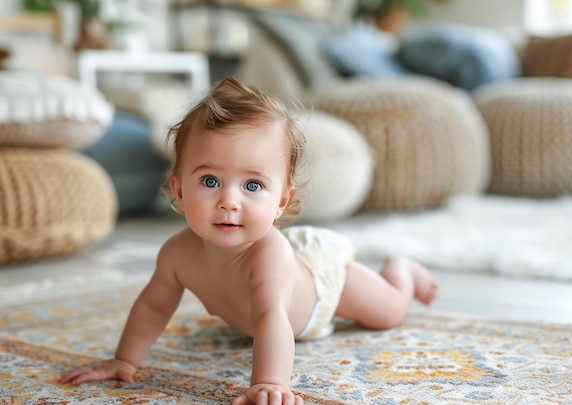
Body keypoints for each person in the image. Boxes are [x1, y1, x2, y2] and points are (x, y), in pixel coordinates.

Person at [59, 77, 439, 405]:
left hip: (325, 285)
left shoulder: (268, 253)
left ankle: (400, 270)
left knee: (390, 312)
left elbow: (272, 316)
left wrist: (270, 383)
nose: (229, 201)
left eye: (253, 185)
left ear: (281, 202)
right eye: (210, 181)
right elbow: (154, 306)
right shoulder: (177, 253)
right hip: (264, 312)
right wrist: (124, 360)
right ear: (178, 188)